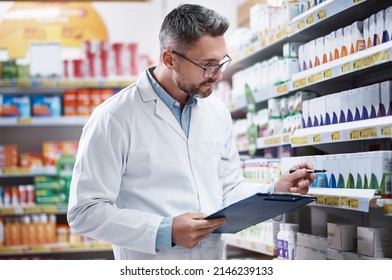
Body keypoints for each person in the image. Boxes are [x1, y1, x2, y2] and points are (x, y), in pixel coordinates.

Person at [67, 4, 316, 260]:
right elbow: (85, 211)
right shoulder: (114, 117)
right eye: (208, 65)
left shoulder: (217, 111)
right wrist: (166, 231)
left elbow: (228, 189)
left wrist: (274, 191)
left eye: (222, 63)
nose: (218, 76)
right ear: (169, 59)